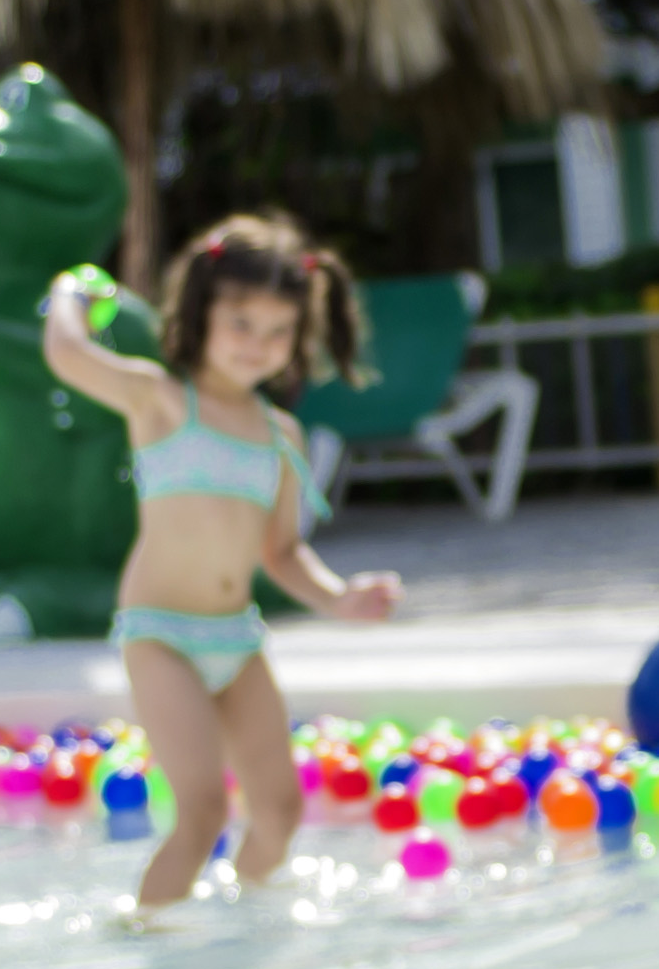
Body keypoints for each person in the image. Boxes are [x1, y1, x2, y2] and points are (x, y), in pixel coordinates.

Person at [45, 212, 403, 909]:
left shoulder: (281, 433)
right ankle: (148, 936)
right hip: (161, 634)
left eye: (277, 331)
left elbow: (282, 551)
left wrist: (338, 597)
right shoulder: (160, 399)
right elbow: (67, 353)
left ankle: (248, 922)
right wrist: (69, 296)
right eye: (241, 323)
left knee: (281, 811)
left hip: (236, 639)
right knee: (202, 812)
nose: (257, 345)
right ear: (200, 311)